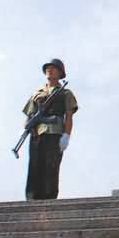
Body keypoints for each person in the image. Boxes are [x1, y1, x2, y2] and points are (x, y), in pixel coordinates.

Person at [22, 59, 78, 200]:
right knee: (34, 166)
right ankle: (32, 199)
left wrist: (66, 135)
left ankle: (49, 199)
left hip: (55, 133)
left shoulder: (65, 93)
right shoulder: (37, 93)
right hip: (37, 134)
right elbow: (29, 115)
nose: (50, 70)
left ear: (60, 73)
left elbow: (69, 116)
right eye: (48, 68)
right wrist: (27, 128)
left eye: (54, 68)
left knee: (51, 167)